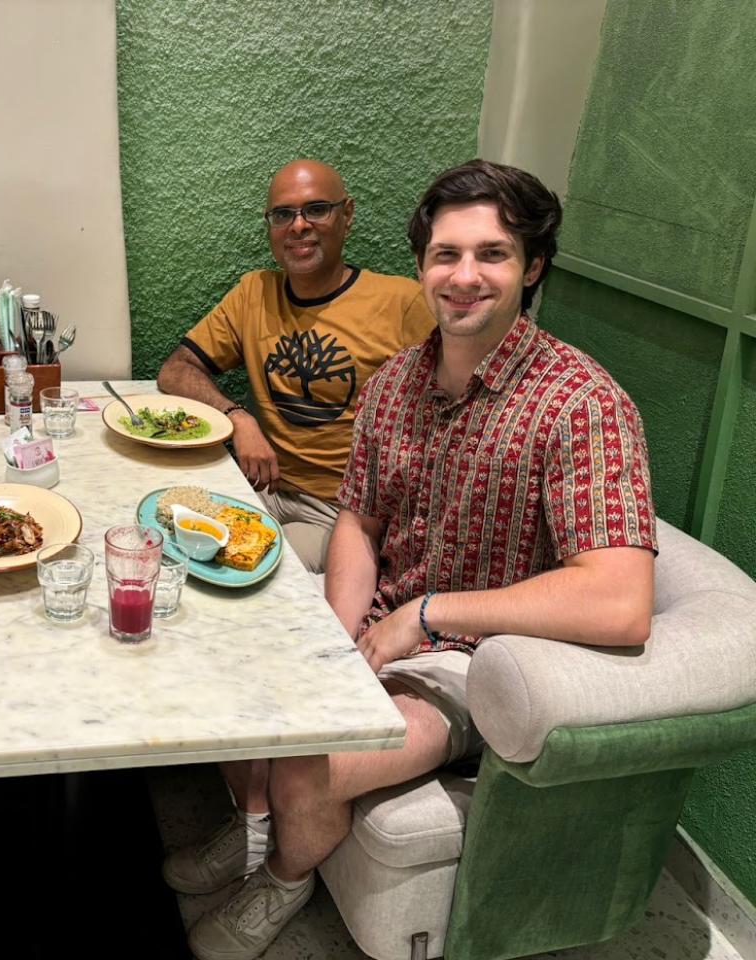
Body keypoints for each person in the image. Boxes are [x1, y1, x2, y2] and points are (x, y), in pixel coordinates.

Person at [170, 160, 659, 960]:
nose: (464, 277)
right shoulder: (396, 380)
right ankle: (251, 830)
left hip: (482, 661)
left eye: (492, 254)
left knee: (308, 760)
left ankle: (283, 879)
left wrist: (425, 616)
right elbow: (357, 520)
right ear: (423, 265)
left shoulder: (583, 402)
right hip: (378, 616)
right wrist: (331, 632)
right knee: (224, 672)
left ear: (532, 267)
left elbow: (619, 602)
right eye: (446, 255)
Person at [156, 158, 435, 574]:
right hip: (255, 489)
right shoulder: (255, 293)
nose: (298, 226)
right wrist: (239, 419)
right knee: (161, 536)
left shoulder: (403, 303)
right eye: (283, 214)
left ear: (347, 215)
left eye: (316, 209)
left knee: (246, 569)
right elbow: (175, 370)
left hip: (339, 513)